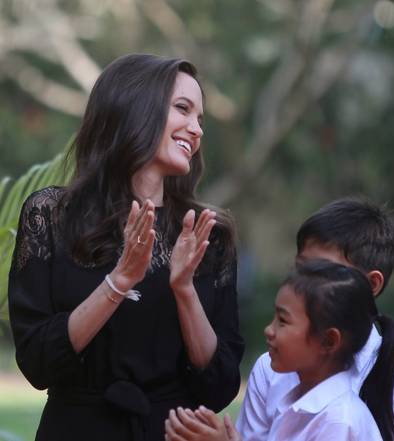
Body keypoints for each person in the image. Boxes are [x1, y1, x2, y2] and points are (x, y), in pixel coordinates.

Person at [8, 53, 244, 441]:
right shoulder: (50, 215)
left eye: (200, 119)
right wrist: (119, 282)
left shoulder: (207, 233)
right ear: (135, 108)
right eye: (183, 109)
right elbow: (37, 362)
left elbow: (219, 385)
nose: (196, 129)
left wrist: (183, 289)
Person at [166, 197, 394, 440]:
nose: (303, 283)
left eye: (322, 271)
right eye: (301, 268)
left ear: (371, 285)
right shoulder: (271, 369)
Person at [166, 259, 394, 440]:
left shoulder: (338, 421)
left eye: (283, 321)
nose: (269, 330)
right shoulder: (300, 402)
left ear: (328, 341)